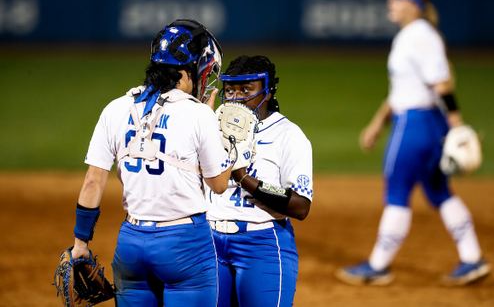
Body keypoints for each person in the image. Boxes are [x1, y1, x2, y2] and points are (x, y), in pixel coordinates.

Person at [335, 0, 491, 287]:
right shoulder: (414, 34)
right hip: (425, 122)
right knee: (438, 191)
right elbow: (401, 89)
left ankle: (378, 265)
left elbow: (442, 84)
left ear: (414, 3)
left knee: (396, 191)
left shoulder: (419, 36)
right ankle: (472, 258)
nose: (390, 3)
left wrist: (458, 125)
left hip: (415, 125)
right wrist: (378, 122)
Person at [70, 19, 233, 307]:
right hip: (184, 246)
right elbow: (219, 184)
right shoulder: (198, 115)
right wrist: (225, 141)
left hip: (131, 246)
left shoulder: (116, 108)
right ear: (190, 69)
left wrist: (81, 244)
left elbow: (93, 182)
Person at [205, 55, 313, 306]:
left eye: (246, 89)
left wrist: (244, 178)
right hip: (210, 243)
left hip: (262, 244)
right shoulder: (211, 128)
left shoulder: (288, 135)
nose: (236, 97)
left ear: (268, 91)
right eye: (230, 90)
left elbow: (300, 206)